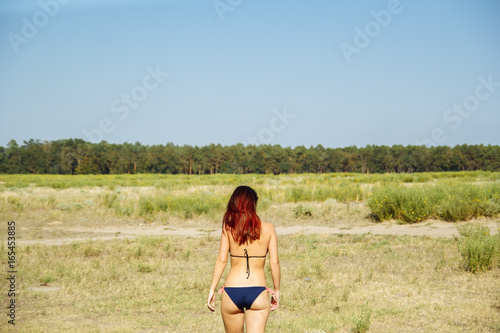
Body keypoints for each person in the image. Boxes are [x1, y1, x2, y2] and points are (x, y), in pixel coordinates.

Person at [207, 185, 280, 333]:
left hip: (232, 291)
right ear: (253, 203)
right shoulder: (268, 228)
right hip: (258, 291)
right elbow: (274, 262)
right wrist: (277, 290)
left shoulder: (229, 227)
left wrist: (212, 289)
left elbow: (221, 260)